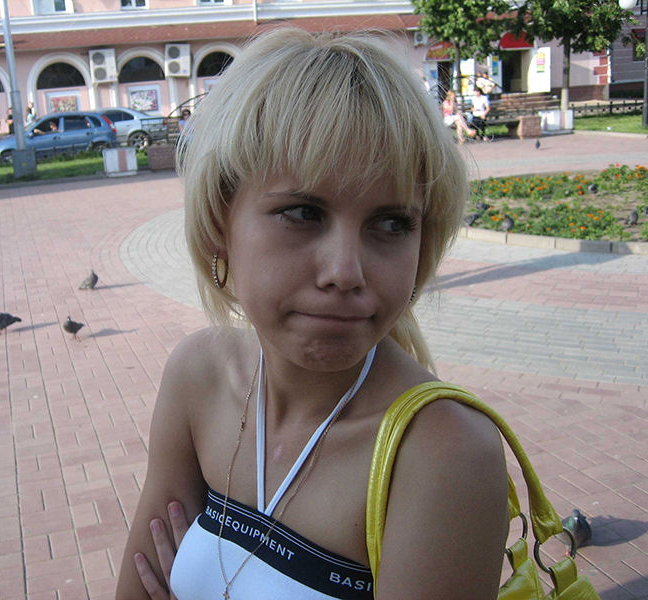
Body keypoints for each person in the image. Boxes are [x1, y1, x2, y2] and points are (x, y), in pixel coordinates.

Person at [116, 28, 508, 600]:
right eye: (303, 213)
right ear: (221, 221)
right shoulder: (199, 378)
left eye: (391, 223)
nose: (345, 271)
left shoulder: (442, 454)